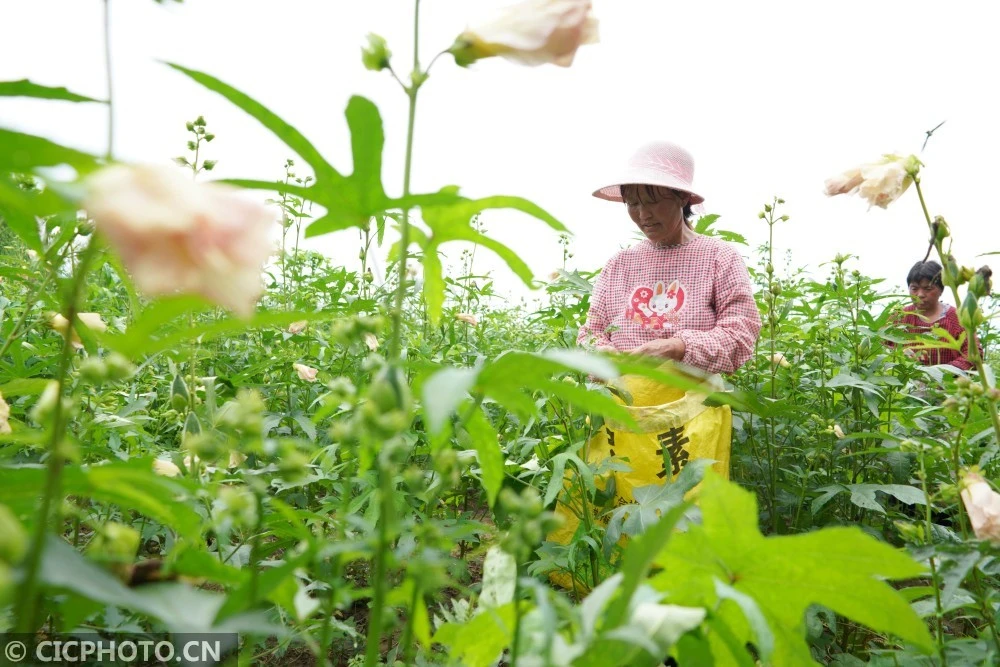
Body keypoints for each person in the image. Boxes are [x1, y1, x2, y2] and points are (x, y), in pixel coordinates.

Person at [578, 140, 761, 375]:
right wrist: (600, 352)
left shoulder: (719, 257)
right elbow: (590, 333)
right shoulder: (619, 265)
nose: (643, 215)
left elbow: (740, 335)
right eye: (633, 204)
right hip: (620, 406)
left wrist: (678, 347)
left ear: (682, 197)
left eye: (653, 202)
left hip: (694, 407)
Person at [893, 260, 978, 370]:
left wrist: (938, 372)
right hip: (906, 383)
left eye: (928, 288)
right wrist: (901, 357)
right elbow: (883, 347)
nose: (920, 294)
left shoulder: (956, 318)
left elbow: (973, 355)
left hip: (948, 384)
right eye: (914, 288)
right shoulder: (900, 317)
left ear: (941, 290)